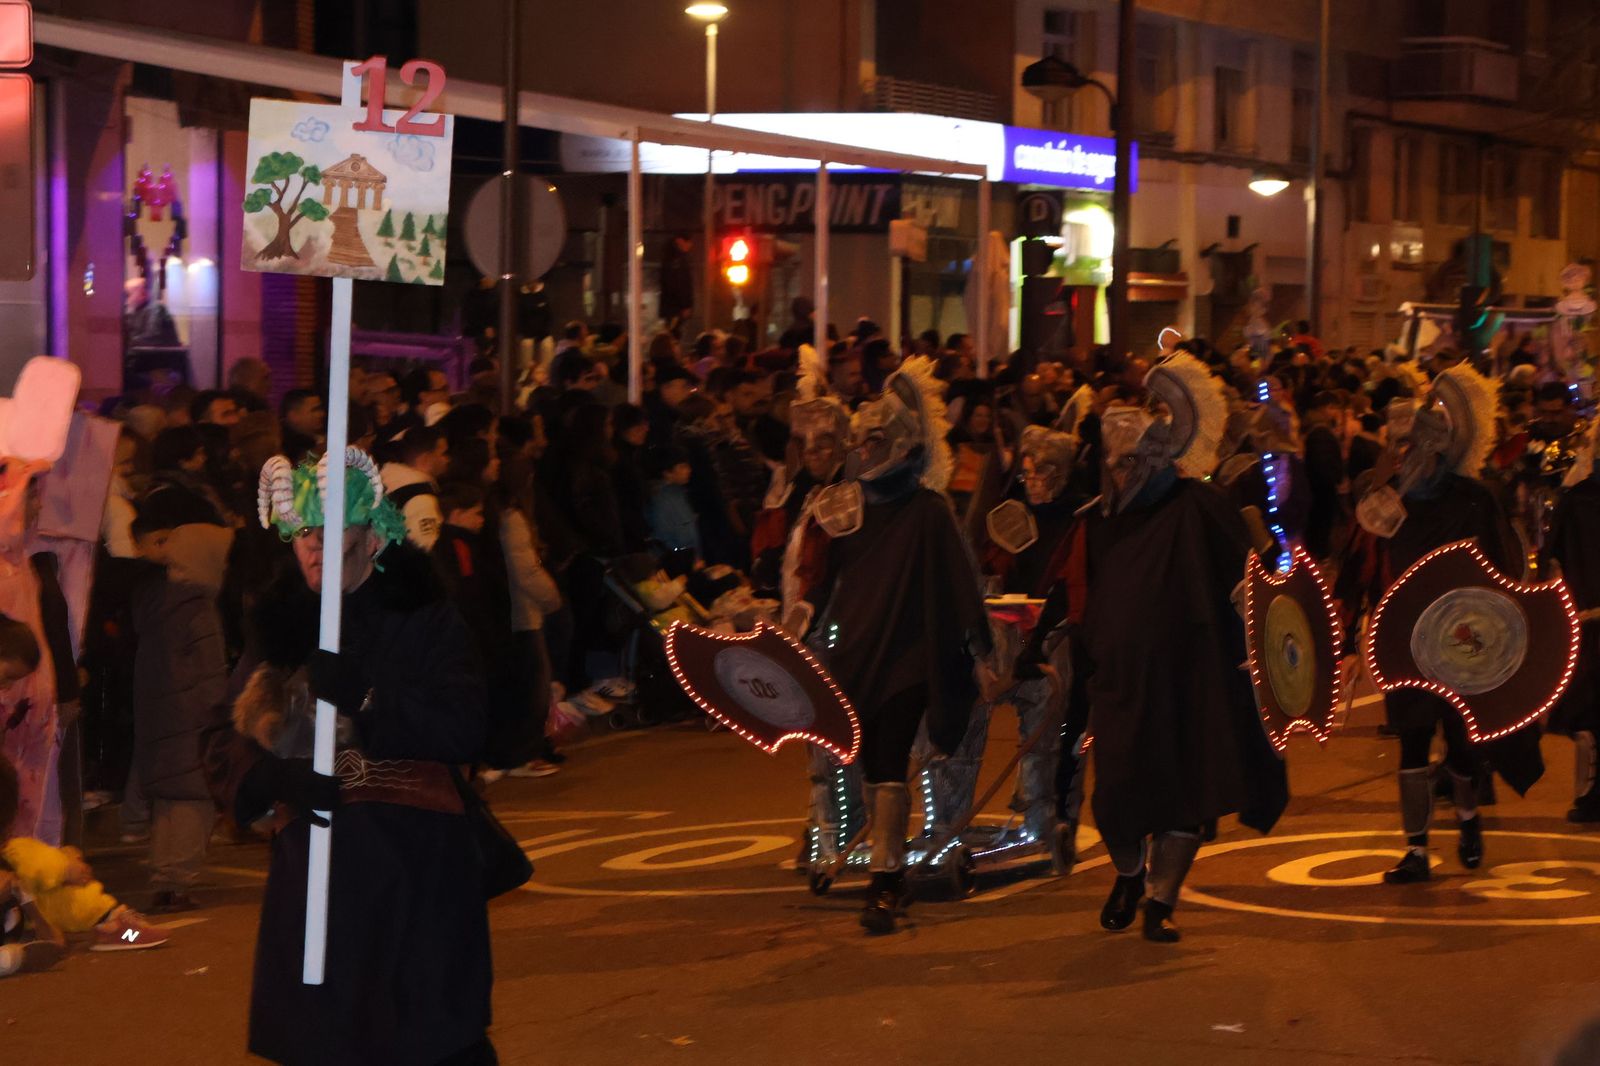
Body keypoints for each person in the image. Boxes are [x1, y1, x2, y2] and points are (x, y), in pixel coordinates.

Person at [203, 449, 493, 1065]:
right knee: (327, 1038)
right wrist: (271, 775)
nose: (312, 546)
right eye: (303, 532)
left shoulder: (422, 613)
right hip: (315, 870)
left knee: (425, 1036)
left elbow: (464, 726)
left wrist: (367, 697)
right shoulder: (283, 625)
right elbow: (221, 739)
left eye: (329, 530)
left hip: (414, 871)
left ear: (370, 535)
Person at [1076, 354, 1288, 942]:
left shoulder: (1200, 506)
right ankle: (1128, 872)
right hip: (1121, 681)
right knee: (1116, 796)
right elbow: (1082, 593)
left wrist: (1263, 633)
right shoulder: (1101, 520)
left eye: (1130, 463)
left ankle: (1159, 904)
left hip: (1191, 679)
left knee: (1184, 795)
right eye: (1112, 464)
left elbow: (1248, 581)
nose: (1119, 474)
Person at [799, 356, 992, 934]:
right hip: (855, 651)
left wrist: (981, 652)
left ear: (902, 445)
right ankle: (887, 873)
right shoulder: (843, 505)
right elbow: (818, 580)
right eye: (860, 441)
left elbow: (960, 585)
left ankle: (886, 879)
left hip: (908, 654)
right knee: (865, 762)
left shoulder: (928, 510)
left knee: (887, 759)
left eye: (874, 440)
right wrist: (799, 623)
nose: (863, 450)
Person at [1356, 363, 1535, 884]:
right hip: (1404, 639)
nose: (1409, 456)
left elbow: (1504, 566)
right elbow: (1364, 563)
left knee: (1461, 744)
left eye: (1418, 447)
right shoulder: (1388, 499)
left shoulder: (1473, 498)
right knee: (1411, 740)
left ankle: (1467, 818)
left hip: (1465, 642)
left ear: (1439, 447)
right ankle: (1415, 849)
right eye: (1401, 447)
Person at [2, 747, 168, 955]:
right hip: (36, 910)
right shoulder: (17, 850)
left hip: (26, 912)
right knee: (73, 895)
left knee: (53, 885)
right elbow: (37, 867)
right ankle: (116, 927)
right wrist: (66, 868)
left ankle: (113, 926)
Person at [380, 425, 449, 552]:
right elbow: (429, 547)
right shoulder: (422, 501)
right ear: (426, 459)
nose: (447, 460)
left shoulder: (388, 484)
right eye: (443, 453)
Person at [646, 447, 701, 559]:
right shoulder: (660, 500)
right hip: (678, 562)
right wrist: (684, 558)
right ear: (667, 473)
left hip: (690, 558)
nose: (689, 470)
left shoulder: (679, 493)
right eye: (682, 467)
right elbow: (663, 537)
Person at [279, 389, 325, 462]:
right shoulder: (284, 445)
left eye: (320, 409)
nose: (321, 414)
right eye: (314, 410)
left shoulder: (315, 438)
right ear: (293, 416)